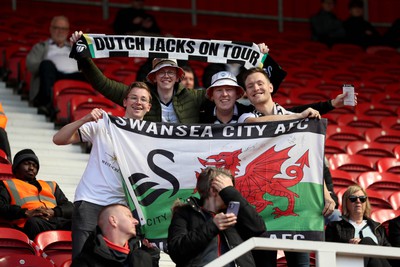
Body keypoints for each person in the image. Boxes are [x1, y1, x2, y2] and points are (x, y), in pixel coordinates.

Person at [53, 82, 152, 258]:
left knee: (115, 260)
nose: (138, 102)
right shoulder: (103, 125)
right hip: (90, 200)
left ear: (149, 107)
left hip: (121, 208)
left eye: (143, 99)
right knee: (82, 258)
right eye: (134, 98)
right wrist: (84, 119)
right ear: (125, 102)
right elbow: (58, 139)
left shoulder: (152, 138)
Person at [70, 30, 207, 124]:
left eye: (171, 72)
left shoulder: (193, 96)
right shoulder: (139, 95)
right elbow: (102, 84)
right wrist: (83, 57)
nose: (166, 76)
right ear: (153, 76)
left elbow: (221, 95)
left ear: (178, 77)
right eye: (161, 71)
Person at [167, 167, 267, 267]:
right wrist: (213, 226)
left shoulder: (237, 215)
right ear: (214, 190)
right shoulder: (184, 213)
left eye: (231, 190)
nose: (230, 193)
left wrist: (232, 194)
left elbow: (258, 228)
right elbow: (176, 250)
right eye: (227, 189)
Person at [0, 149, 73, 240]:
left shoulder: (51, 185)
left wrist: (53, 212)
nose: (31, 168)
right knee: (33, 222)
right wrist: (26, 212)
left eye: (35, 165)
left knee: (81, 222)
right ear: (16, 167)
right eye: (27, 163)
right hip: (29, 224)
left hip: (55, 220)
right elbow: (1, 206)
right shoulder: (6, 184)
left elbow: (70, 207)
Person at [26, 15, 86, 118]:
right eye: (57, 28)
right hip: (53, 76)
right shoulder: (41, 47)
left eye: (63, 29)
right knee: (46, 65)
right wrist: (44, 65)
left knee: (90, 73)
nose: (60, 31)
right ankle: (46, 104)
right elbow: (30, 65)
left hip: (75, 77)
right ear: (50, 29)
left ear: (68, 31)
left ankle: (86, 107)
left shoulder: (74, 47)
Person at [71, 203, 159, 267]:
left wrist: (152, 257)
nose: (136, 221)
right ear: (113, 221)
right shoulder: (85, 261)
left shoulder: (142, 257)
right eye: (129, 216)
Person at [325, 185, 392, 267]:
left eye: (362, 198)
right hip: (349, 263)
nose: (358, 201)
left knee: (367, 241)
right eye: (353, 199)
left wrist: (364, 243)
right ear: (346, 203)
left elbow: (390, 253)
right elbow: (328, 253)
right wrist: (348, 248)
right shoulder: (335, 227)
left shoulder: (378, 228)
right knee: (367, 241)